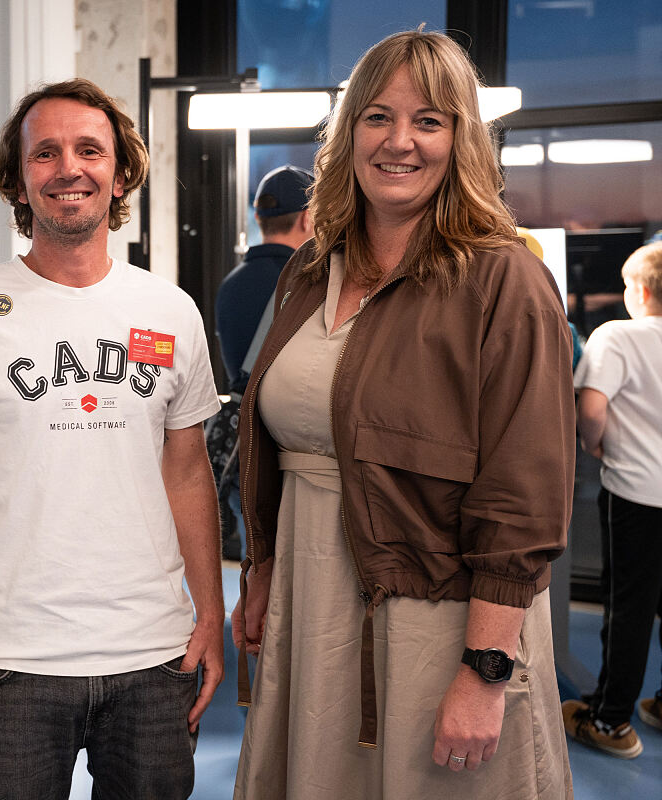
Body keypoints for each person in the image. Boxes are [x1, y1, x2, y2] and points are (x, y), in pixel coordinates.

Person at [231, 29, 574, 798]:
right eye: (378, 117)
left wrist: (486, 673)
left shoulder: (503, 279)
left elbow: (523, 496)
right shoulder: (309, 272)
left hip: (437, 618)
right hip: (311, 597)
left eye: (429, 121)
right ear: (349, 132)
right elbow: (279, 443)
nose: (400, 142)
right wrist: (261, 575)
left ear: (463, 140)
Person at [0, 78, 224, 799]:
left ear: (120, 173)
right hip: (9, 658)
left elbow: (188, 472)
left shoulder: (168, 310)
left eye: (89, 149)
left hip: (152, 654)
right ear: (18, 179)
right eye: (44, 153)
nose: (68, 168)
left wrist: (209, 614)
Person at [564, 242, 662, 758]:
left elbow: (593, 408)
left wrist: (594, 443)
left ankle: (610, 721)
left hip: (636, 495)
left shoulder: (618, 336)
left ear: (640, 291)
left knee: (628, 609)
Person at [211, 165, 315, 559]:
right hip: (290, 452)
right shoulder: (307, 283)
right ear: (308, 218)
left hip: (243, 445)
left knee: (256, 559)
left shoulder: (231, 283)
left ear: (258, 217)